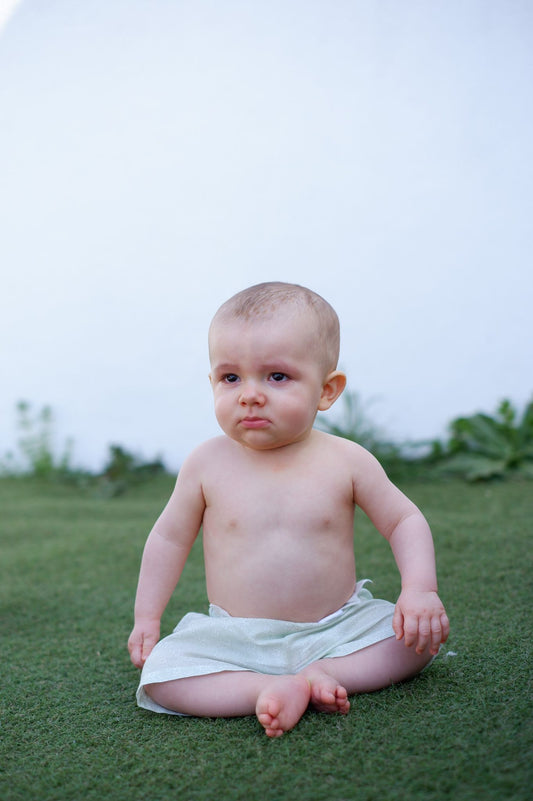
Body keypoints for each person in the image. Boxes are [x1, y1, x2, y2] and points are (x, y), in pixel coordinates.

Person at [128, 281, 449, 737]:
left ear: (327, 390)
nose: (249, 394)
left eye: (276, 377)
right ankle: (263, 687)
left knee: (417, 643)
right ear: (213, 382)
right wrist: (147, 617)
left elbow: (403, 520)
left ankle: (323, 672)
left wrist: (419, 590)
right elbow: (168, 538)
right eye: (230, 377)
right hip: (236, 637)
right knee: (163, 677)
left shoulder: (347, 460)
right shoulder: (206, 463)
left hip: (337, 628)